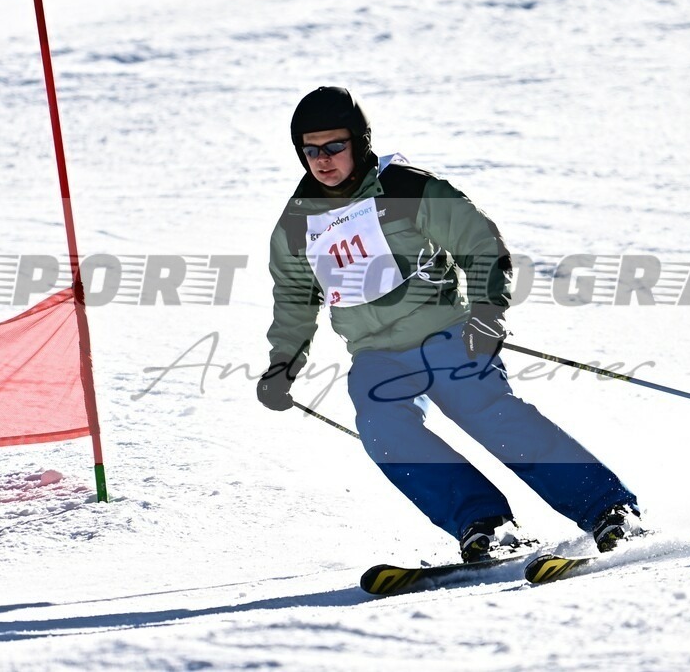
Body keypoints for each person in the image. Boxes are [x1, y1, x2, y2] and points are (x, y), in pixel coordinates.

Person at [257, 86, 644, 561]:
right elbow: (295, 298)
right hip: (375, 353)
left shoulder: (404, 187)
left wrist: (487, 312)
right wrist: (283, 365)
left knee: (487, 412)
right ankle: (485, 523)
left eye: (334, 146)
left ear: (358, 141)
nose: (323, 159)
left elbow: (478, 241)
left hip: (446, 332)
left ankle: (607, 508)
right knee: (382, 428)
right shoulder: (298, 223)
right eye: (310, 150)